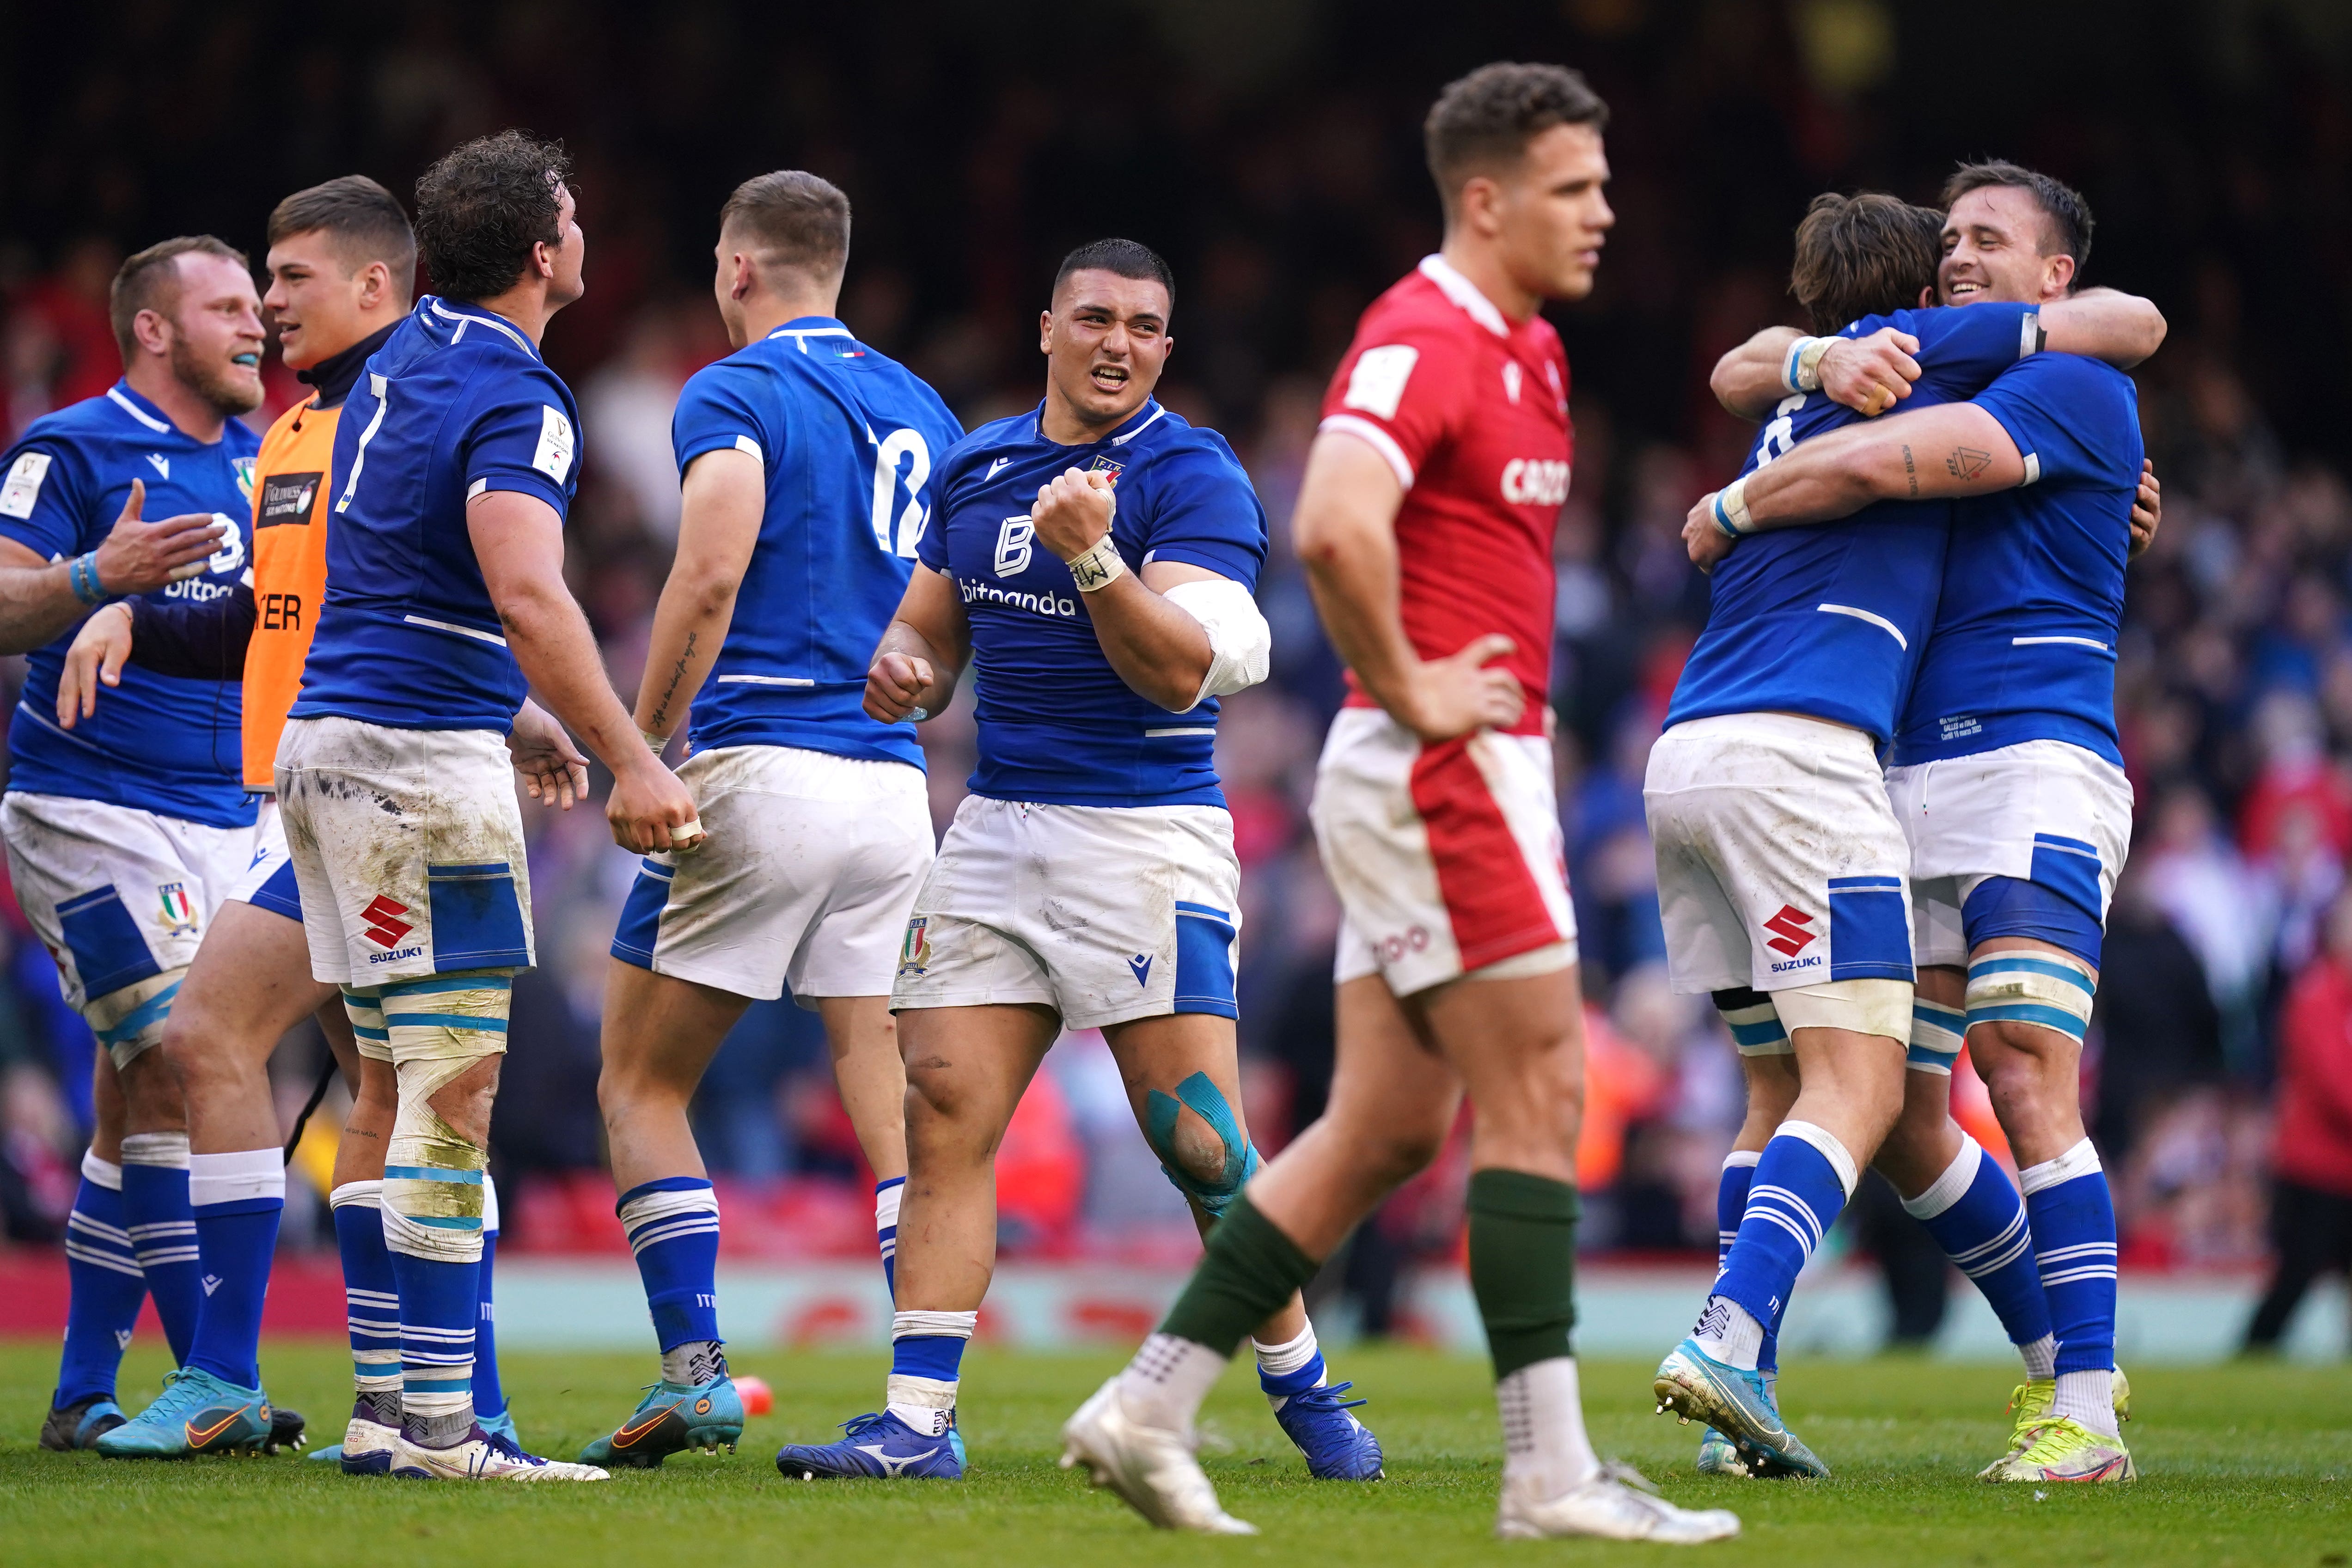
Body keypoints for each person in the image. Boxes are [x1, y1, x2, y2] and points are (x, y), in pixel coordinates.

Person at [1057, 63, 1730, 1543]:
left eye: (1605, 185)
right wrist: (1419, 690)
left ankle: (1146, 1406)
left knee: (1377, 1130)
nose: (1604, 213)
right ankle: (1547, 1473)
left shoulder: (1531, 352)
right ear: (1485, 199)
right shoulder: (1422, 336)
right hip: (1436, 765)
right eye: (1574, 188)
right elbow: (1331, 524)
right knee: (1543, 1088)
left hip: (1458, 766)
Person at [775, 235, 1380, 1487]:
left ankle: (1306, 1387)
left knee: (1201, 1149)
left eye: (1147, 328)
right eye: (1096, 318)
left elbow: (1175, 673)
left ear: (1167, 348)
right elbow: (927, 643)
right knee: (943, 1113)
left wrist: (1095, 557)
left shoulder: (1193, 474)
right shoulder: (979, 466)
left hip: (1143, 835)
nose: (1120, 344)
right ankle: (916, 1424)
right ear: (1045, 327)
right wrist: (907, 675)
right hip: (997, 829)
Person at [54, 178, 586, 1464]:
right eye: (252, 285)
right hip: (316, 794)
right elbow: (284, 617)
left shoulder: (406, 413)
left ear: (379, 285)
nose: (267, 304)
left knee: (397, 1080)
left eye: (284, 279)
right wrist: (141, 614)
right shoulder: (301, 433)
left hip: (370, 787)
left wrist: (513, 711)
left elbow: (437, 607)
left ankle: (422, 1404)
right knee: (321, 1063)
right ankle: (360, 1400)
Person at [1650, 190, 2163, 1479]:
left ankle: (2084, 1409)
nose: (1960, 256)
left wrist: (1737, 505)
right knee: (1895, 1109)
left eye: (1989, 238)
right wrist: (1813, 360)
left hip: (2033, 758)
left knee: (2025, 1059)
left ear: (2050, 269)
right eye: (1949, 244)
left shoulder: (2071, 378)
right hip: (1895, 773)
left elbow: (1879, 461)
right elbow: (1753, 363)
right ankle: (2050, 1362)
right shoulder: (1920, 360)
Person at [275, 130, 698, 1483]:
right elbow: (525, 590)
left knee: (391, 1083)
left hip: (333, 744)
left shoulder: (395, 358)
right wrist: (629, 752)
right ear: (542, 250)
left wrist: (505, 711)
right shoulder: (522, 393)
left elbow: (405, 576)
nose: (584, 234)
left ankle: (386, 1410)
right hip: (412, 777)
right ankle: (449, 1436)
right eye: (572, 217)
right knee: (455, 1093)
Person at [578, 170, 961, 1468]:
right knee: (893, 1104)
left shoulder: (730, 390)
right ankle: (921, 1407)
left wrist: (635, 743)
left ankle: (693, 1372)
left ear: (738, 269)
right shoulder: (923, 407)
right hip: (894, 791)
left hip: (766, 766)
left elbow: (715, 563)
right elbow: (939, 615)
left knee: (640, 1077)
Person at [0, 236, 269, 1451]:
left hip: (230, 818)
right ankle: (220, 1377)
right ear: (153, 329)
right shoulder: (70, 448)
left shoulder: (272, 467)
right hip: (88, 808)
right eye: (225, 308)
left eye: (257, 305)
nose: (255, 325)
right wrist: (93, 576)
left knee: (136, 1091)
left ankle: (83, 1390)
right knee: (168, 1051)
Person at [2242, 887, 2352, 1351]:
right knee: (2295, 1275)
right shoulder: (2314, 996)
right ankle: (2253, 1352)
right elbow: (2334, 1085)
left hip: (2338, 1167)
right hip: (2314, 1168)